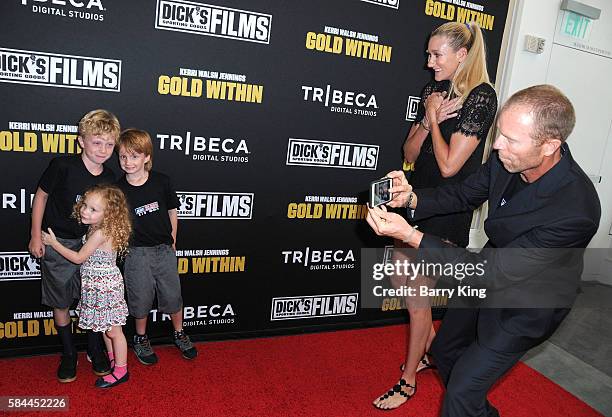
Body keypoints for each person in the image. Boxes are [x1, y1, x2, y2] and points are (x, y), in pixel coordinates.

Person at [367, 84, 601, 417]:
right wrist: (411, 199)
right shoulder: (506, 158)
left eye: (510, 140)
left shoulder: (576, 209)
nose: (497, 145)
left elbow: (495, 274)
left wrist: (412, 236)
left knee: (461, 390)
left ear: (550, 145)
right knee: (445, 354)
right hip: (490, 273)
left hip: (526, 304)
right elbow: (462, 195)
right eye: (499, 134)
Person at [373, 21, 498, 410]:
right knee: (409, 289)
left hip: (447, 207)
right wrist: (429, 119)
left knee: (417, 299)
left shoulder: (481, 98)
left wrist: (434, 116)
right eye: (429, 54)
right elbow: (410, 155)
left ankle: (408, 380)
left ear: (462, 55)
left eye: (436, 55)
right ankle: (432, 353)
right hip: (414, 201)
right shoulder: (433, 92)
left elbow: (448, 167)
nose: (429, 63)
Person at [28, 109, 119, 383]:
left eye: (110, 144)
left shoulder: (111, 177)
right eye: (96, 142)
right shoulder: (62, 166)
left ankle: (94, 349)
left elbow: (112, 217)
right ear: (81, 141)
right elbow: (41, 198)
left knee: (91, 299)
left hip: (93, 247)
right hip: (57, 242)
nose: (103, 149)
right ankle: (68, 354)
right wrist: (35, 235)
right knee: (61, 301)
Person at [116, 128, 198, 364]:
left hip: (164, 249)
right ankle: (140, 338)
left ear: (147, 157)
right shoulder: (118, 189)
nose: (128, 162)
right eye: (123, 156)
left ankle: (179, 333)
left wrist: (173, 240)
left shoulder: (162, 181)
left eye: (134, 156)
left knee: (173, 295)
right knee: (140, 298)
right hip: (136, 253)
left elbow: (173, 211)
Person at [42, 184, 132, 388]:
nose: (84, 210)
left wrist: (54, 243)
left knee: (113, 331)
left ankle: (121, 370)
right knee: (105, 329)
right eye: (85, 205)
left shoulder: (101, 233)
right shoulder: (96, 227)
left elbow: (78, 257)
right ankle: (113, 360)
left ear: (108, 214)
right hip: (96, 285)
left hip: (105, 287)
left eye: (93, 209)